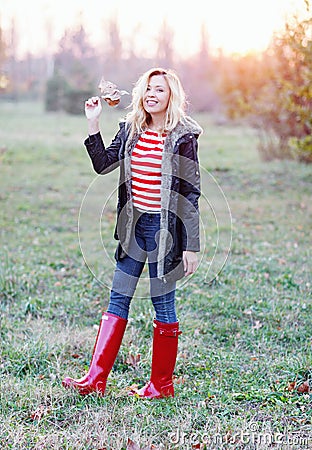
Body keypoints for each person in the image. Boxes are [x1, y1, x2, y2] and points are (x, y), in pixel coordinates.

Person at [62, 67, 202, 399]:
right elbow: (103, 165)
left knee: (162, 304)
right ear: (141, 93)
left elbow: (191, 192)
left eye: (161, 90)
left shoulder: (182, 137)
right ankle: (95, 379)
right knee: (118, 298)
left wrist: (191, 246)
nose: (153, 94)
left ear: (172, 98)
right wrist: (94, 122)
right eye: (149, 89)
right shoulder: (131, 129)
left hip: (165, 234)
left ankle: (161, 386)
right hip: (133, 229)